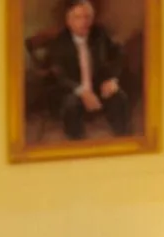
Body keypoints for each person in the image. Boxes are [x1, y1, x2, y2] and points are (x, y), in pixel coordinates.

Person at [47, 0, 132, 140]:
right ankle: (77, 146)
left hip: (98, 85)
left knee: (120, 98)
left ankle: (124, 142)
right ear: (69, 21)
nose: (84, 22)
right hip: (72, 89)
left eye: (87, 17)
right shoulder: (59, 43)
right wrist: (82, 91)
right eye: (78, 17)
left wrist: (112, 79)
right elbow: (59, 76)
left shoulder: (99, 34)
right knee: (71, 105)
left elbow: (117, 54)